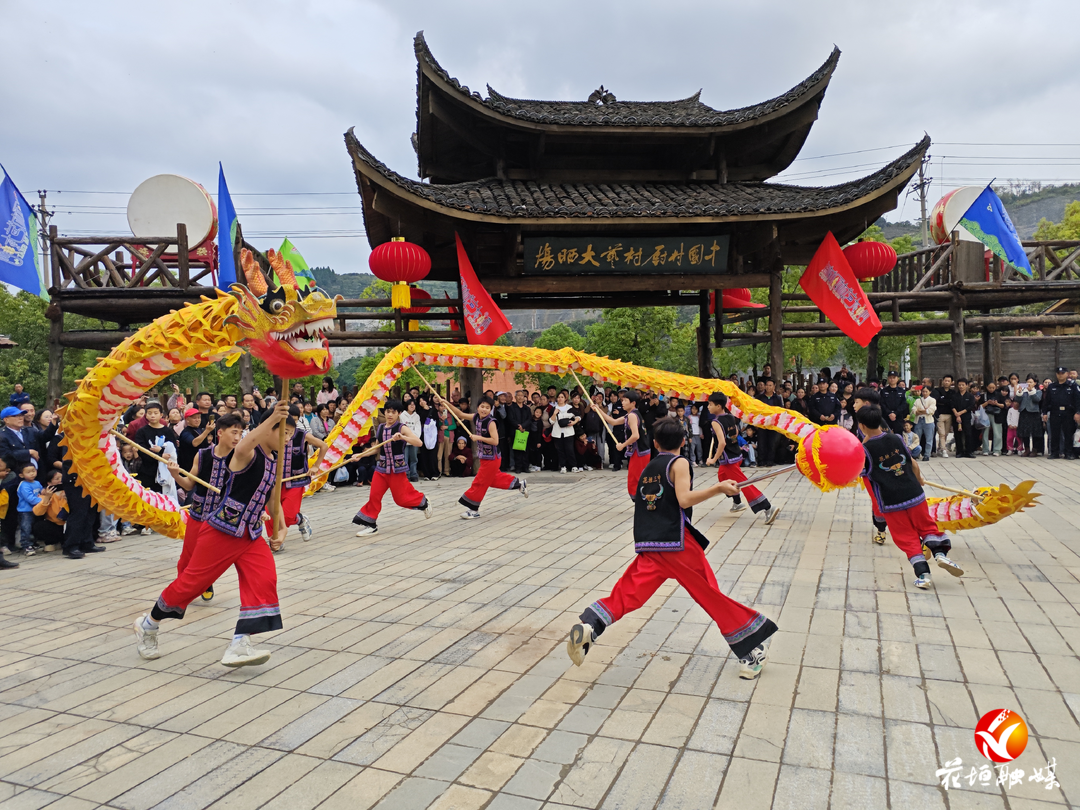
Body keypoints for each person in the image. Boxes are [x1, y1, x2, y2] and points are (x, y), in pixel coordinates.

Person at [566, 417, 777, 679]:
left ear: (655, 443)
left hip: (651, 544)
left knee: (628, 592)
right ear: (684, 441)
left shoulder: (650, 467)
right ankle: (752, 650)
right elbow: (684, 498)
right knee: (710, 594)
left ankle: (592, 626)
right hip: (678, 544)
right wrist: (718, 488)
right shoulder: (679, 463)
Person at [133, 400, 291, 668]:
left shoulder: (273, 462)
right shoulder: (246, 454)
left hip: (250, 536)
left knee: (265, 580)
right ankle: (148, 625)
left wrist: (283, 526)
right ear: (267, 430)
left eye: (289, 435)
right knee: (190, 584)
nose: (287, 439)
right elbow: (243, 445)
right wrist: (272, 415)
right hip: (221, 531)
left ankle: (240, 643)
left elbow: (272, 499)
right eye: (283, 432)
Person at [857, 405, 963, 590]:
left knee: (906, 537)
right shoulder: (897, 438)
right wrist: (920, 479)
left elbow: (861, 474)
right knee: (927, 525)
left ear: (862, 426)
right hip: (914, 494)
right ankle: (940, 554)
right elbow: (912, 463)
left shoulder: (864, 451)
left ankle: (923, 574)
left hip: (891, 502)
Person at [167, 413, 245, 605]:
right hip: (198, 515)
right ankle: (179, 593)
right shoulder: (202, 455)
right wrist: (175, 474)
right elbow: (188, 485)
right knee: (187, 558)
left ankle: (205, 581)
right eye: (234, 432)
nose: (237, 438)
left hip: (223, 518)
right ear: (220, 433)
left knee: (212, 558)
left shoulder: (242, 458)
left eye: (241, 433)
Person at [439, 394, 528, 519]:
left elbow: (495, 441)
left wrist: (478, 438)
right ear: (478, 407)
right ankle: (519, 484)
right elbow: (460, 415)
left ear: (491, 409)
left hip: (492, 458)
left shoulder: (491, 422)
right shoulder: (476, 417)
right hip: (484, 457)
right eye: (482, 406)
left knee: (480, 481)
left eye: (487, 407)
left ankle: (473, 509)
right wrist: (447, 404)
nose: (484, 409)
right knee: (493, 480)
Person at [352, 399, 433, 536]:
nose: (390, 415)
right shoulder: (381, 428)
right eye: (388, 412)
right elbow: (377, 448)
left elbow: (418, 442)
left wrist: (403, 437)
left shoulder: (402, 428)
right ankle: (370, 524)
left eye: (393, 412)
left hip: (397, 469)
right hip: (381, 469)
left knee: (401, 499)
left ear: (399, 413)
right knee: (374, 496)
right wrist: (361, 455)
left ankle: (423, 501)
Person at [706, 392, 781, 524]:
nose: (708, 407)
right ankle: (737, 502)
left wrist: (712, 459)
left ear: (718, 406)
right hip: (735, 455)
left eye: (710, 404)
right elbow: (735, 432)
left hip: (729, 458)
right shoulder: (730, 417)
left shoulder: (716, 422)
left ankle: (768, 507)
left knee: (745, 484)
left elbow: (722, 443)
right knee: (722, 477)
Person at [262, 406, 328, 545]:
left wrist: (316, 466)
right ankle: (275, 540)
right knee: (270, 514)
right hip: (273, 481)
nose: (288, 435)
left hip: (295, 481)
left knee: (287, 515)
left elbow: (323, 446)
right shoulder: (269, 436)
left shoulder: (301, 435)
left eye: (295, 422)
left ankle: (299, 519)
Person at [597, 389, 650, 498]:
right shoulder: (631, 414)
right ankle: (642, 501)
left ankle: (643, 501)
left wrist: (623, 445)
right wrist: (598, 410)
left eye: (625, 400)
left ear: (633, 403)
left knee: (635, 479)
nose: (622, 403)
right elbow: (613, 422)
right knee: (635, 478)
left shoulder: (632, 416)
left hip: (639, 452)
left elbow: (636, 435)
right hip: (640, 451)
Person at [1043, 366, 1080, 459]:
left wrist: (1078, 412)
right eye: (1058, 374)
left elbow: (1077, 400)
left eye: (1062, 373)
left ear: (1067, 374)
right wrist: (1044, 413)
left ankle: (1068, 453)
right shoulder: (1052, 386)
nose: (1060, 375)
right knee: (1055, 433)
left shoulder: (1072, 385)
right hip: (1055, 412)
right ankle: (1055, 452)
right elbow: (1046, 401)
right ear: (1056, 375)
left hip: (1068, 413)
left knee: (1068, 433)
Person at [134, 402, 172, 493]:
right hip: (147, 469)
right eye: (150, 413)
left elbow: (173, 450)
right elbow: (142, 450)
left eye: (155, 413)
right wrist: (160, 455)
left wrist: (161, 451)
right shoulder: (141, 432)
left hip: (165, 471)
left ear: (161, 415)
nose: (152, 416)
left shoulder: (167, 431)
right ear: (146, 415)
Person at [32, 469, 67, 555]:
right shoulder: (45, 494)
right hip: (55, 524)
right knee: (39, 526)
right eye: (57, 478)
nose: (60, 480)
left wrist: (68, 497)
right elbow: (37, 512)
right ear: (49, 483)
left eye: (62, 478)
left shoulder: (69, 492)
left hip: (68, 524)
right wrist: (47, 498)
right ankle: (51, 542)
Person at [16, 462, 43, 556]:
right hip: (25, 511)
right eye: (28, 472)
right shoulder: (23, 485)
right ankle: (26, 545)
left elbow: (42, 491)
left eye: (33, 471)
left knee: (33, 527)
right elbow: (30, 498)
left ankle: (33, 543)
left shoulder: (37, 483)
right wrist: (43, 501)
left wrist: (46, 494)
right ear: (21, 475)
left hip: (35, 510)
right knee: (25, 528)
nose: (32, 473)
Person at [549, 391, 580, 473]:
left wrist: (574, 422)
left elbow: (578, 416)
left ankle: (573, 466)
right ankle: (563, 466)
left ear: (565, 398)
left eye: (562, 397)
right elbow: (551, 421)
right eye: (559, 397)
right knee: (560, 450)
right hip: (557, 433)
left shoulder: (569, 408)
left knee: (570, 449)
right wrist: (554, 414)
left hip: (568, 432)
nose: (560, 399)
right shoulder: (553, 408)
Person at [755, 379, 784, 467]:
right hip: (762, 424)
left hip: (773, 424)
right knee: (762, 442)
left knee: (772, 443)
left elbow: (780, 411)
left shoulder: (778, 398)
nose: (768, 387)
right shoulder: (759, 397)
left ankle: (770, 460)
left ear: (774, 387)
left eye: (770, 385)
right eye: (767, 385)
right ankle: (761, 461)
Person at [0, 405, 35, 474]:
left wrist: (53, 422)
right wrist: (29, 452)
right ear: (6, 419)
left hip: (34, 474)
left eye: (21, 415)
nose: (20, 418)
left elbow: (45, 436)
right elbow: (6, 456)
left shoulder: (29, 430)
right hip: (15, 475)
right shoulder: (2, 435)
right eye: (16, 416)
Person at [931, 376, 957, 458]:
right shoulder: (937, 391)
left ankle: (940, 448)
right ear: (942, 381)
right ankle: (944, 449)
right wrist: (947, 401)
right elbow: (937, 400)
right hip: (940, 414)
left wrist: (945, 401)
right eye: (945, 380)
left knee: (945, 433)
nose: (946, 382)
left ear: (951, 382)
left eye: (948, 381)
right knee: (941, 433)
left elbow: (953, 402)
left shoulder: (953, 392)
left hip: (949, 415)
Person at [910, 386, 937, 460]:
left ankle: (927, 454)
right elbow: (914, 410)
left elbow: (931, 410)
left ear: (930, 392)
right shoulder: (918, 400)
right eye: (923, 391)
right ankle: (916, 454)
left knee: (929, 439)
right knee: (916, 438)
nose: (924, 393)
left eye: (926, 391)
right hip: (918, 420)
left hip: (928, 421)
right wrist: (924, 411)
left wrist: (920, 411)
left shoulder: (932, 400)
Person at [952, 379, 977, 458]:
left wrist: (961, 413)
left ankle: (968, 451)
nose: (961, 387)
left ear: (966, 385)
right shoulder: (955, 396)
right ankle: (959, 451)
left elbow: (971, 406)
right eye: (959, 385)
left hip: (966, 417)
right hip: (956, 417)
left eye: (963, 385)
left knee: (968, 434)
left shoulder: (970, 396)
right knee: (957, 434)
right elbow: (952, 406)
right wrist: (957, 414)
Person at [982, 381, 1006, 457]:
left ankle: (997, 450)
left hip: (997, 415)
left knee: (997, 432)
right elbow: (980, 406)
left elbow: (1004, 405)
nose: (991, 389)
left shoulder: (999, 395)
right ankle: (985, 449)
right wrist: (987, 402)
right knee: (985, 433)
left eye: (993, 387)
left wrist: (996, 404)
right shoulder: (984, 395)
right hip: (986, 415)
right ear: (986, 387)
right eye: (990, 388)